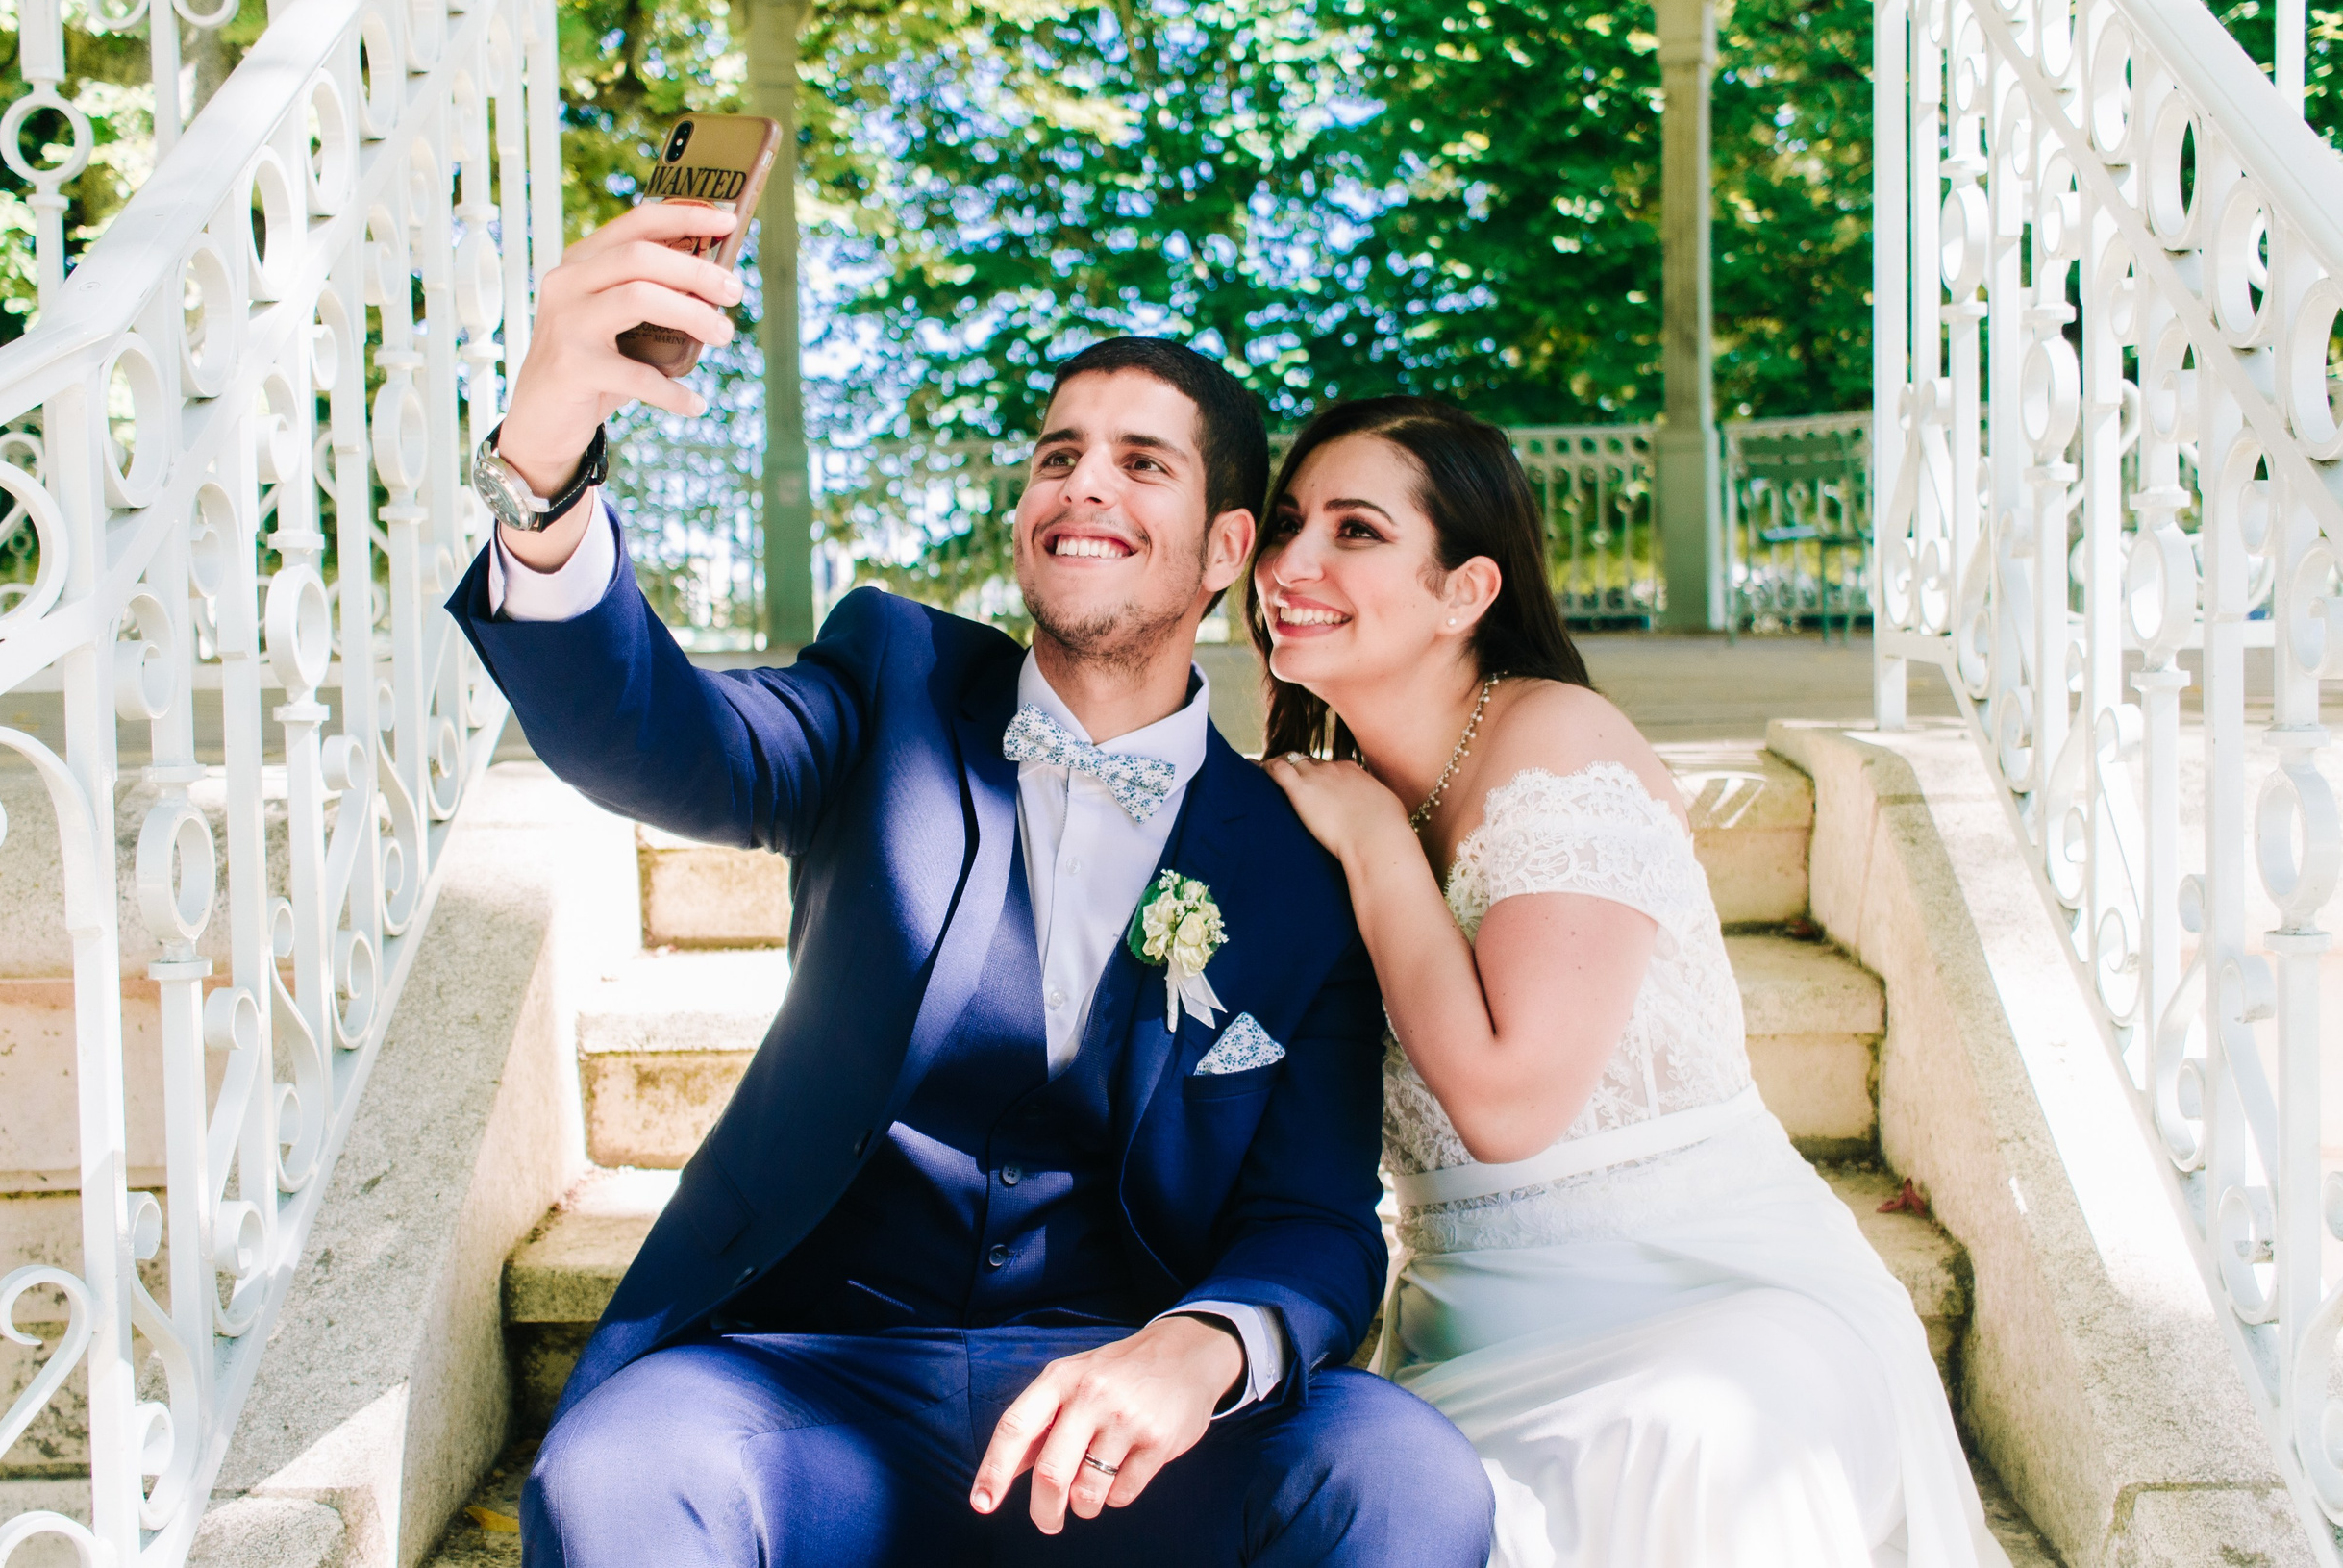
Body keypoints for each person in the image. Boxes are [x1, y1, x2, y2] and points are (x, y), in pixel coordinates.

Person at [444, 202, 1494, 1566]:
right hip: (804, 1382)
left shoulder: (1301, 863)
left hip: (1128, 1425)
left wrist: (1197, 1347)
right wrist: (549, 454)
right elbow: (652, 734)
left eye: (1141, 461)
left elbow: (1315, 1220)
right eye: (1059, 455)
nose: (1084, 483)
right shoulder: (888, 693)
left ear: (1228, 549)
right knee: (620, 1476)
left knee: (1400, 1473)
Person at [1257, 396, 2010, 1567]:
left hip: (1704, 1301)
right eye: (1285, 522)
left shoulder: (1556, 740)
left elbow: (1508, 1107)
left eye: (1354, 531)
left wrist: (1371, 845)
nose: (1291, 562)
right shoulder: (1334, 792)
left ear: (1465, 592)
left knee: (1690, 1433)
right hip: (1465, 1329)